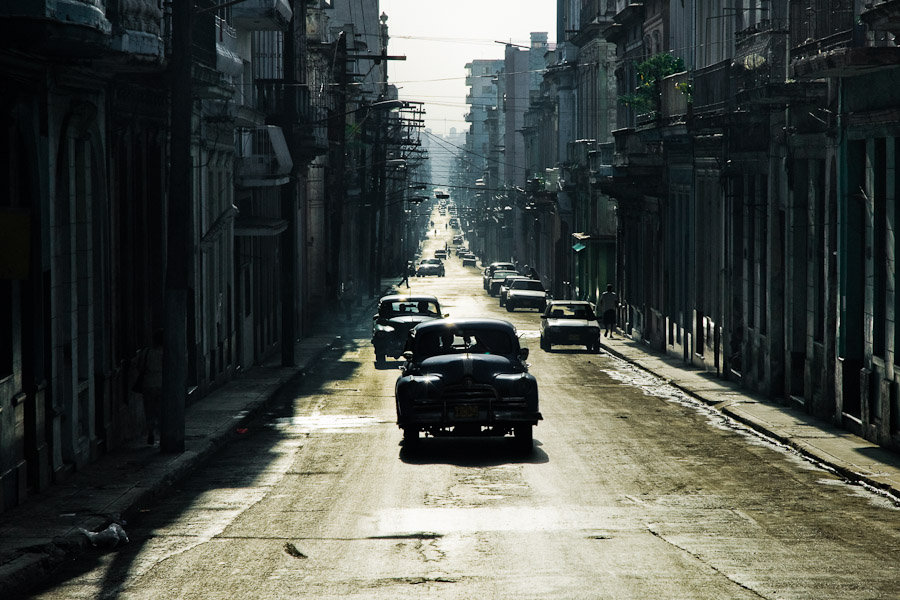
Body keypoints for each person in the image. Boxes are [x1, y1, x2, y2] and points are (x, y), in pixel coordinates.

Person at [137, 329, 164, 445]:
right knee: (161, 410)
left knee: (149, 410)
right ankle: (162, 433)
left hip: (148, 385)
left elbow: (139, 367)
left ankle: (151, 433)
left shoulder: (146, 353)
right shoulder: (165, 353)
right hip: (162, 384)